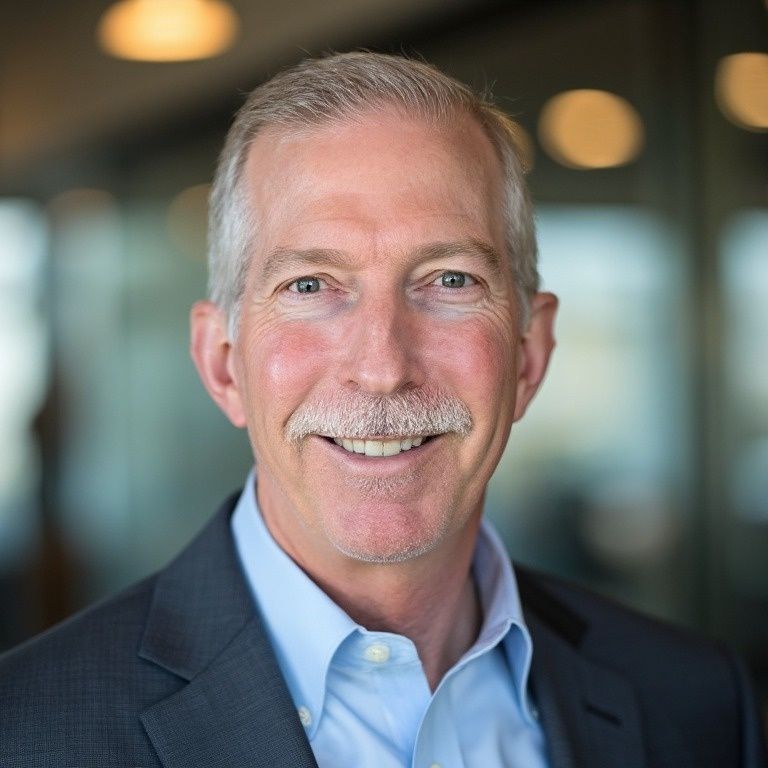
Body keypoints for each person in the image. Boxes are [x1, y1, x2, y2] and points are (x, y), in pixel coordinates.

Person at [0, 52, 765, 768]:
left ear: (530, 352)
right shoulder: (28, 731)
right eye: (309, 286)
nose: (382, 367)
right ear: (222, 363)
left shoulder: (697, 703)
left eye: (450, 280)